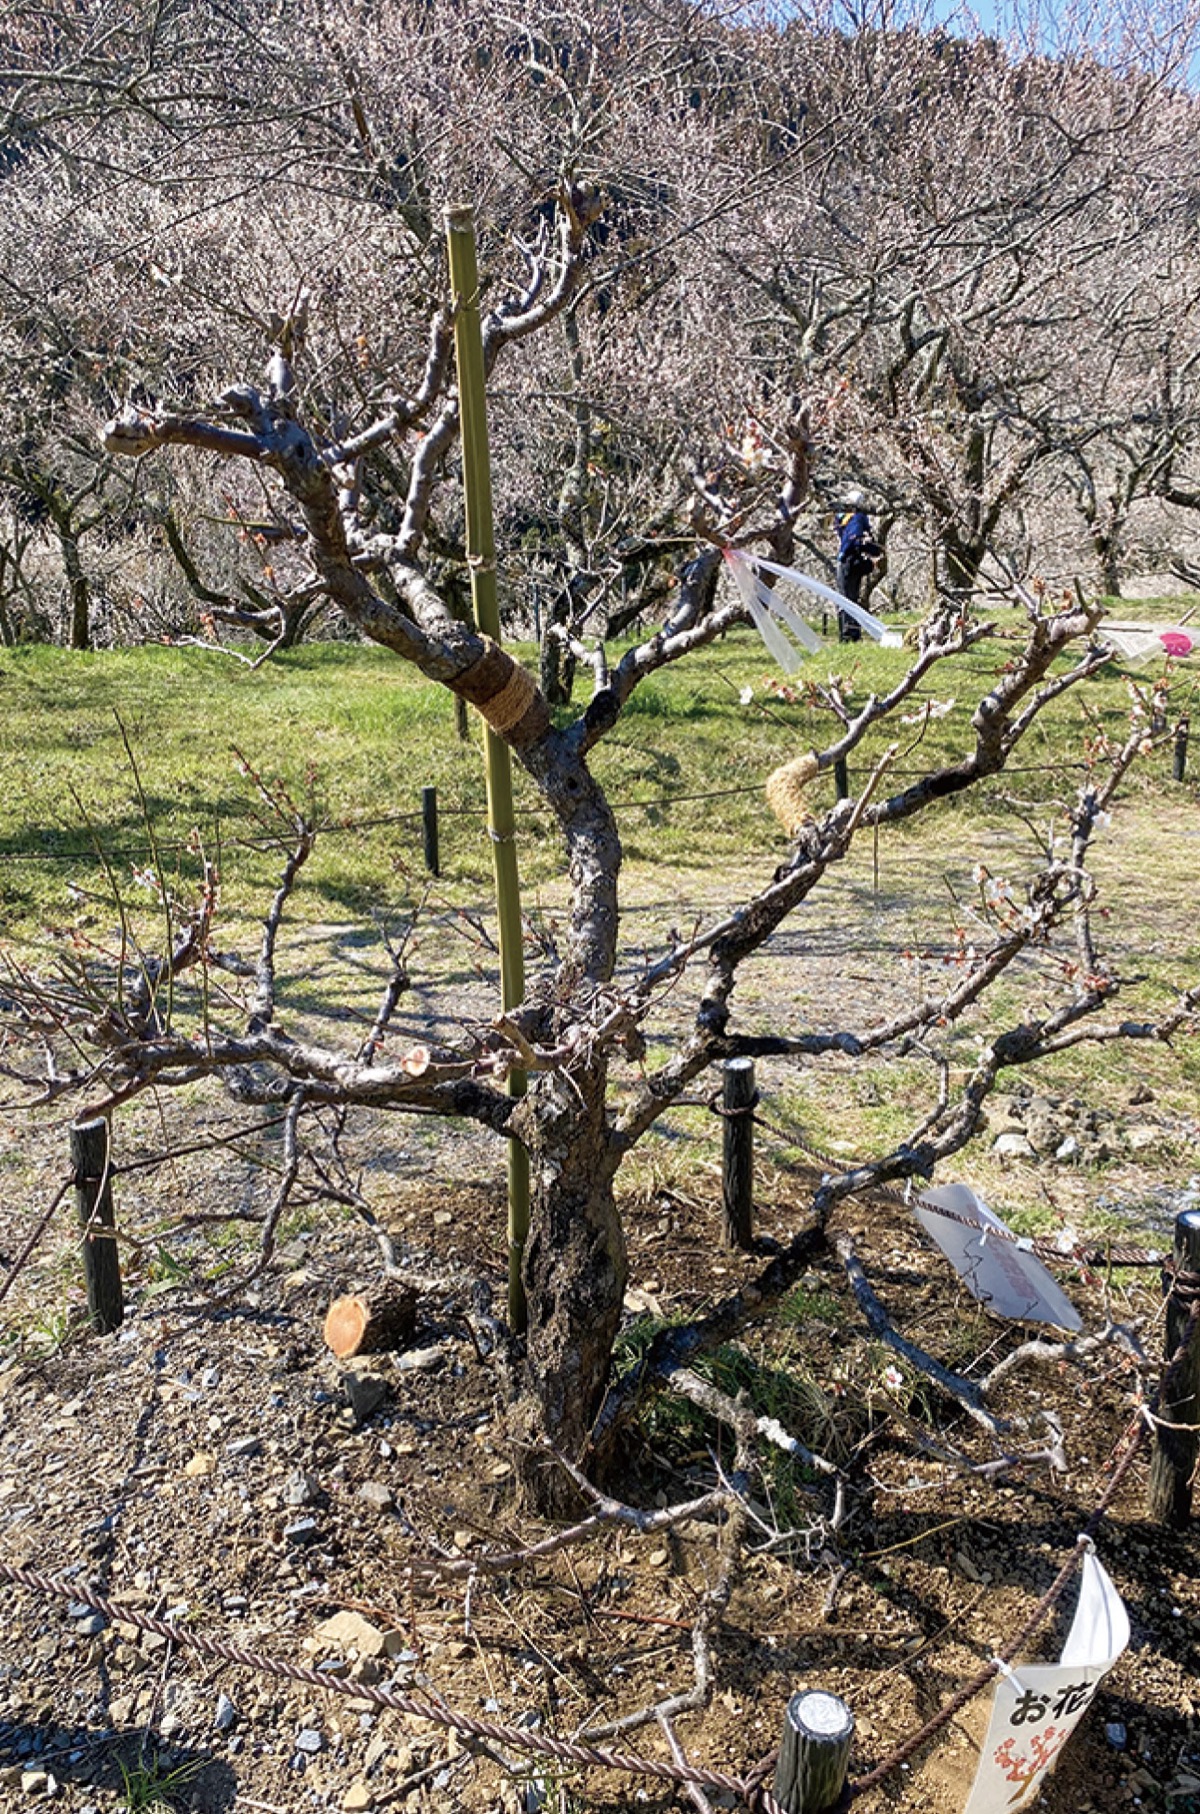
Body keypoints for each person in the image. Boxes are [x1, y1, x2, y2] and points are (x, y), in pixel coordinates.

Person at [834, 492, 881, 642]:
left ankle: (849, 634)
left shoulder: (846, 518)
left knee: (847, 598)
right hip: (850, 561)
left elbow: (854, 540)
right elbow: (856, 540)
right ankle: (850, 634)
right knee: (849, 598)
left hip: (848, 562)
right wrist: (875, 550)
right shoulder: (857, 518)